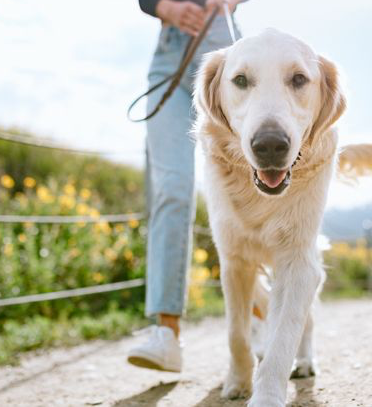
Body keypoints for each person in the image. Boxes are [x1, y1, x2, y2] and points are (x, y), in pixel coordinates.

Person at [127, 0, 243, 372]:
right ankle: (166, 334)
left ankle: (259, 312)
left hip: (225, 48)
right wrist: (166, 7)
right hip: (170, 55)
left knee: (243, 184)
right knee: (172, 188)